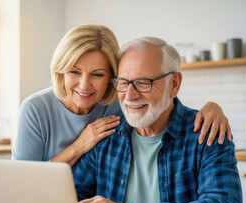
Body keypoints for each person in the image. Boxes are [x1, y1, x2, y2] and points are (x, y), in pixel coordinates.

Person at [72, 37, 242, 203]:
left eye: (144, 83)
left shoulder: (207, 133)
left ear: (175, 84)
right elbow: (68, 200)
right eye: (124, 83)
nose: (130, 95)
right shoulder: (106, 135)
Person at [12, 24, 231, 166]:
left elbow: (161, 107)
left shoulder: (119, 105)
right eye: (74, 72)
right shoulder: (35, 110)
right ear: (60, 70)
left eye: (97, 74)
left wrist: (212, 107)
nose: (84, 85)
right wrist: (80, 145)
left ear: (111, 77)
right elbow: (24, 183)